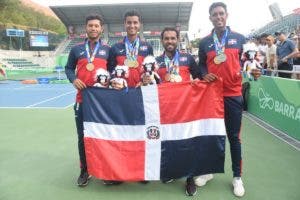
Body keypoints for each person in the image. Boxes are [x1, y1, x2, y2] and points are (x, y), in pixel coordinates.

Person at [196, 2, 259, 197]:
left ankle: (237, 177)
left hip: (232, 95)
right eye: (214, 14)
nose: (218, 17)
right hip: (211, 96)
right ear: (210, 18)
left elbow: (250, 64)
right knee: (212, 135)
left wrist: (255, 72)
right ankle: (208, 171)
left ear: (227, 15)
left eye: (221, 13)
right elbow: (201, 67)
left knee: (234, 138)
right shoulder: (205, 42)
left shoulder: (240, 39)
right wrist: (204, 74)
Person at [143, 27, 199, 196]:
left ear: (178, 40)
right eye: (166, 38)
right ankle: (173, 172)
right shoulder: (155, 61)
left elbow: (199, 77)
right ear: (162, 41)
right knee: (167, 142)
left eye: (173, 38)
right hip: (164, 109)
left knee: (187, 143)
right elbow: (149, 82)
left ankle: (190, 178)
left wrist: (198, 81)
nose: (170, 41)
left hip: (184, 109)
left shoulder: (187, 58)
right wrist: (145, 80)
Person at [65, 14, 111, 187]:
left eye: (96, 26)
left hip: (102, 103)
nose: (93, 28)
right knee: (83, 137)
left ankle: (104, 170)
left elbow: (113, 71)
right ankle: (85, 170)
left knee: (103, 135)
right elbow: (69, 68)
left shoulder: (108, 49)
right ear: (86, 28)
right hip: (82, 100)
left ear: (101, 29)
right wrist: (73, 79)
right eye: (90, 25)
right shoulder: (76, 49)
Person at [109, 9, 153, 89]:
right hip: (121, 91)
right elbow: (110, 70)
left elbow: (152, 70)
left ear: (139, 24)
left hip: (142, 90)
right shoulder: (115, 47)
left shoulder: (148, 47)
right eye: (129, 22)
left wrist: (147, 79)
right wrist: (114, 81)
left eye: (135, 22)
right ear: (125, 24)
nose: (132, 26)